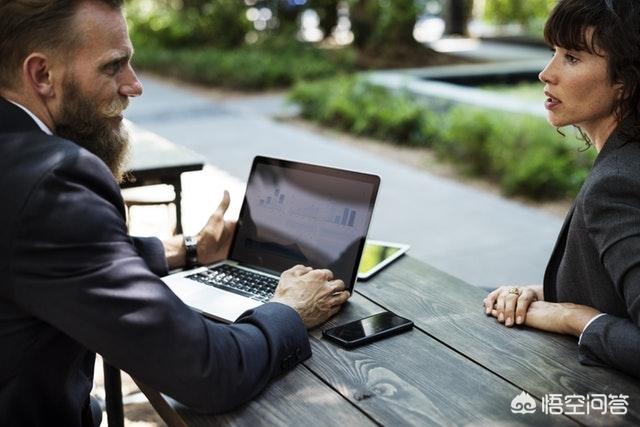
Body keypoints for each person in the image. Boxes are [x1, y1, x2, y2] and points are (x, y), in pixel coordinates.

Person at [0, 0, 351, 425]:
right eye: (114, 67)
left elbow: (39, 253)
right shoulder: (54, 180)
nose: (134, 85)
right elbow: (209, 373)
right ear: (42, 75)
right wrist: (290, 310)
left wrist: (187, 249)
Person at [483, 0, 640, 379]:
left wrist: (572, 317)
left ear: (625, 81)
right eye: (552, 52)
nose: (545, 73)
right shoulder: (626, 161)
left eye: (571, 57)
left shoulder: (616, 185)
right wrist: (543, 294)